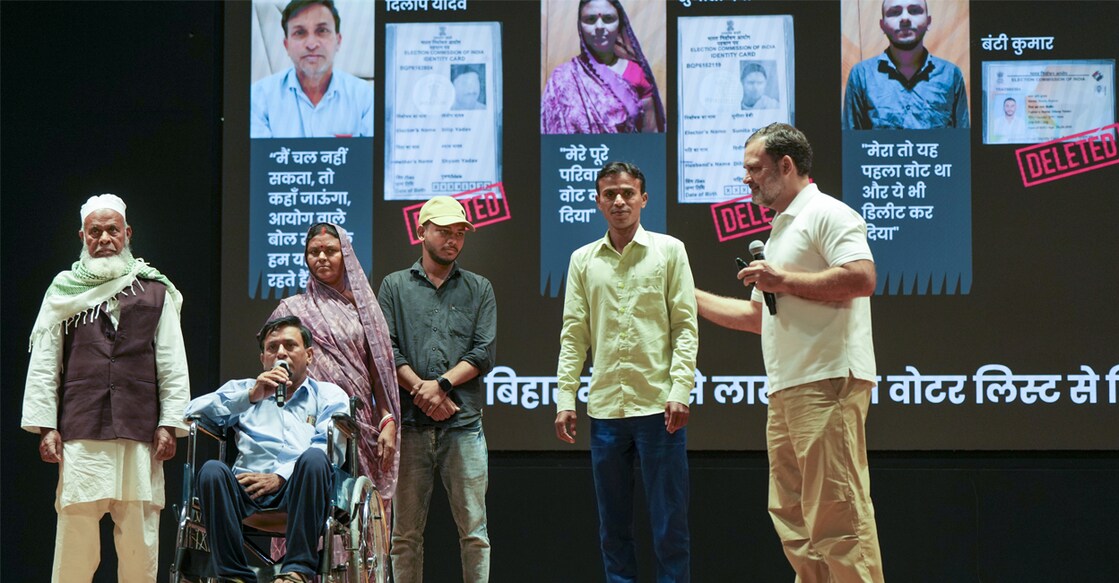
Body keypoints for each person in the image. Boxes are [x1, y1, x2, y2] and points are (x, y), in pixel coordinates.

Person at [694, 123, 884, 582]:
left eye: (754, 169)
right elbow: (758, 318)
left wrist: (784, 281)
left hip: (827, 381)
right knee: (794, 519)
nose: (747, 179)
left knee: (838, 517)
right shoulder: (781, 229)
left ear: (786, 166)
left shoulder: (828, 213)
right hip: (787, 389)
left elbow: (862, 278)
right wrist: (683, 293)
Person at [22, 193, 190, 582]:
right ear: (82, 236)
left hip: (141, 432)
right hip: (82, 431)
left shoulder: (155, 289)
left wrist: (170, 423)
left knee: (139, 542)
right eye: (94, 231)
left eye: (112, 230)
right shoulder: (63, 290)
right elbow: (46, 362)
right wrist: (46, 425)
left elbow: (172, 363)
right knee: (76, 542)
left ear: (127, 233)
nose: (104, 238)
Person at [555, 162, 699, 583]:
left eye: (627, 193)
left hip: (660, 409)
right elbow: (573, 334)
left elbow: (685, 327)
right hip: (605, 413)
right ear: (598, 202)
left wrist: (681, 390)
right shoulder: (582, 260)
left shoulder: (670, 251)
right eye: (610, 194)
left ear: (643, 198)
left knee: (670, 527)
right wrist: (566, 398)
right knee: (613, 529)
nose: (619, 201)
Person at [378, 196, 497, 583]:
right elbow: (385, 349)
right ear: (421, 231)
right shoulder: (394, 286)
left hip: (463, 425)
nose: (453, 240)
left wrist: (441, 385)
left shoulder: (479, 288)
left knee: (475, 534)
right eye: (444, 231)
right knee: (405, 537)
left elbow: (483, 352)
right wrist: (421, 392)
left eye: (460, 233)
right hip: (410, 427)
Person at [184, 316, 349, 583]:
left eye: (289, 346)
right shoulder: (246, 389)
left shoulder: (329, 395)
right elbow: (191, 413)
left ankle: (296, 570)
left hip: (302, 487)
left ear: (309, 355)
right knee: (212, 471)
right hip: (248, 487)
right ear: (263, 358)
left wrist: (281, 476)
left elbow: (334, 446)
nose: (280, 353)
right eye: (272, 348)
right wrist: (251, 396)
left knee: (315, 458)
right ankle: (234, 576)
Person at [269, 223, 401, 498]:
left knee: (354, 510)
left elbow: (380, 373)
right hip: (302, 420)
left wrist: (387, 420)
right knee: (303, 501)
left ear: (346, 256)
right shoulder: (291, 309)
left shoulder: (364, 309)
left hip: (356, 422)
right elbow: (271, 362)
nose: (322, 257)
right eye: (314, 251)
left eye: (331, 250)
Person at [250, 0, 374, 138]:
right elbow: (259, 158)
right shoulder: (258, 98)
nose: (311, 44)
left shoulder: (366, 98)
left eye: (322, 31)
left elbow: (373, 157)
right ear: (286, 45)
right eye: (300, 32)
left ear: (338, 41)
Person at [541, 0, 666, 134]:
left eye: (608, 19)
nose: (599, 26)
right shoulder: (562, 78)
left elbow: (650, 137)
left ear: (620, 24)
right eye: (590, 19)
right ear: (580, 26)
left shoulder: (636, 73)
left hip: (626, 155)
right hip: (576, 154)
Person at [842, 0, 969, 129]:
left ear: (928, 21)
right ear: (882, 25)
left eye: (914, 11)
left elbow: (962, 142)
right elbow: (851, 142)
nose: (905, 18)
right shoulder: (861, 75)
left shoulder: (950, 75)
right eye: (895, 12)